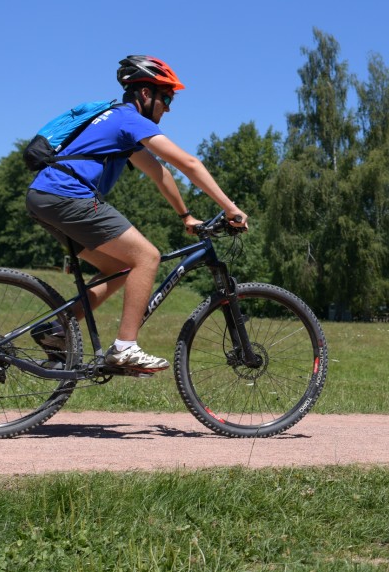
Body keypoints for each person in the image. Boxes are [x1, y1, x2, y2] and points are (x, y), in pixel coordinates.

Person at [25, 55, 250, 372]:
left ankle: (55, 328)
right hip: (67, 195)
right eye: (167, 97)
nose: (168, 107)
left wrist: (186, 216)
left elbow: (161, 174)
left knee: (119, 267)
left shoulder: (117, 125)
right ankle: (125, 347)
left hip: (45, 197)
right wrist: (231, 208)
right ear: (146, 94)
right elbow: (189, 164)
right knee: (147, 257)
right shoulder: (129, 119)